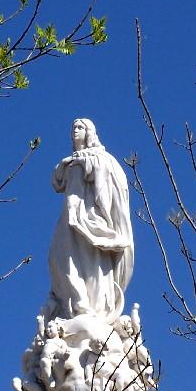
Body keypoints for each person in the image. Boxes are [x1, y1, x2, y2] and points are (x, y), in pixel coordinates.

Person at [44, 119, 133, 325]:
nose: (75, 131)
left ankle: (90, 305)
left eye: (80, 127)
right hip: (70, 215)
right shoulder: (70, 161)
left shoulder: (101, 158)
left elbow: (110, 183)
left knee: (92, 260)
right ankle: (75, 303)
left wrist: (87, 163)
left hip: (91, 217)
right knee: (59, 258)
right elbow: (57, 181)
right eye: (73, 127)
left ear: (90, 132)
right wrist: (72, 162)